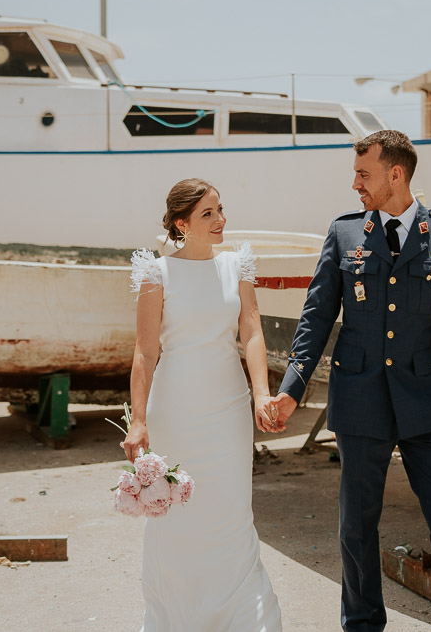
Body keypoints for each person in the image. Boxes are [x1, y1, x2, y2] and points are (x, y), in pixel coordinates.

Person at [272, 130, 431, 632]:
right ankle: (363, 625)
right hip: (360, 397)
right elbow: (316, 315)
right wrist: (291, 388)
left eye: (363, 173)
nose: (355, 184)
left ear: (396, 174)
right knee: (357, 525)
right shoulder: (345, 232)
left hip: (427, 400)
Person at [122, 178, 284, 631]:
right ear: (182, 223)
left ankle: (246, 619)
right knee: (177, 515)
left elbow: (251, 331)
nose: (221, 220)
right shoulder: (157, 273)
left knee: (232, 512)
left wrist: (260, 393)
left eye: (220, 210)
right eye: (208, 214)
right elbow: (144, 351)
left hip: (228, 407)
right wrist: (138, 421)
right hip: (174, 409)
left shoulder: (237, 265)